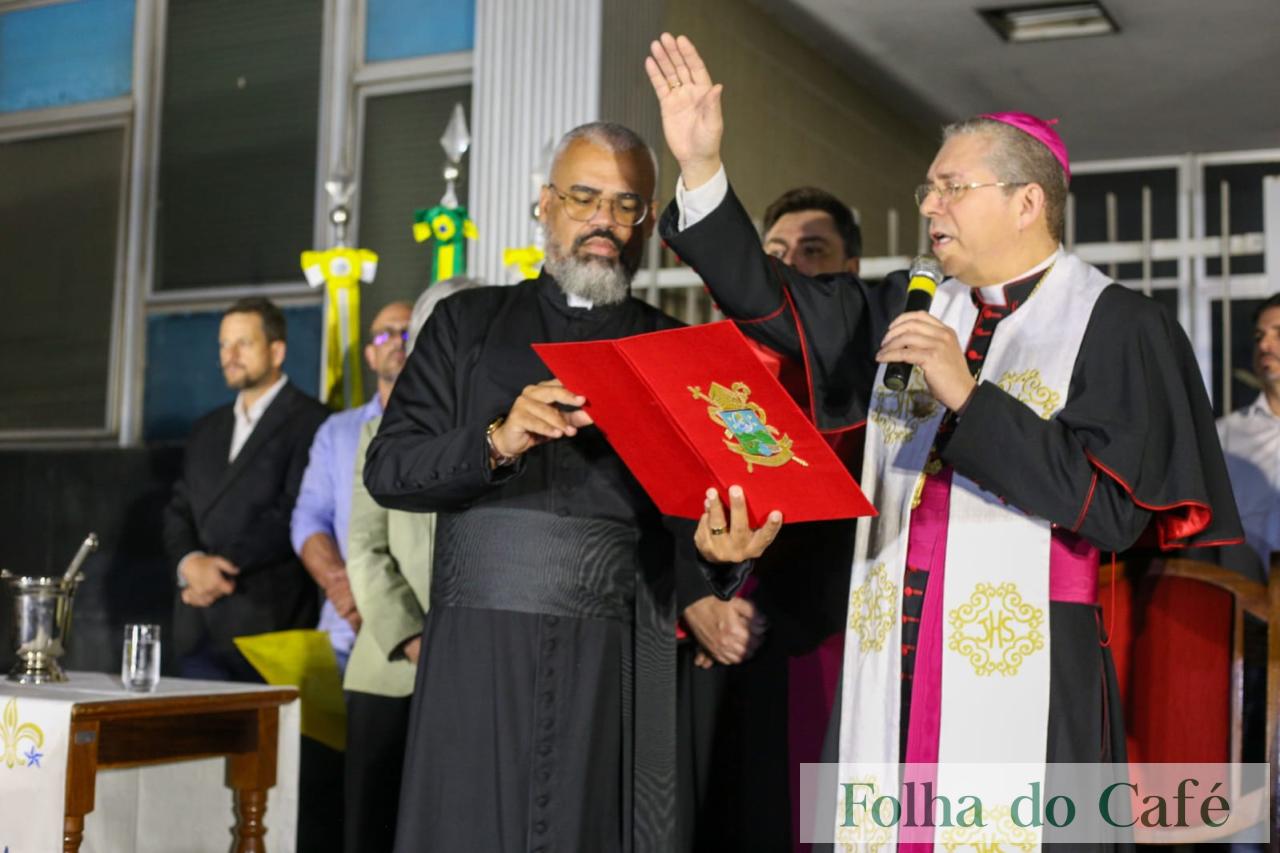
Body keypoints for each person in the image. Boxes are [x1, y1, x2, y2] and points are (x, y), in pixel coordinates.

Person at [647, 32, 1242, 847]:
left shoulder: (1120, 326)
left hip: (1031, 671)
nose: (929, 208)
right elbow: (771, 300)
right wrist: (702, 168)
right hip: (887, 656)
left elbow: (1110, 514)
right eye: (927, 190)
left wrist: (967, 396)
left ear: (1027, 201)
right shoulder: (913, 302)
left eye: (951, 188)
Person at [364, 121, 739, 853]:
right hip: (480, 656)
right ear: (545, 205)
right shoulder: (464, 324)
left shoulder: (674, 354)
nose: (604, 219)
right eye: (584, 195)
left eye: (626, 204)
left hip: (617, 660)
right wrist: (497, 439)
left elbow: (695, 530)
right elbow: (390, 469)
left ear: (648, 224)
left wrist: (722, 558)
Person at [677, 186, 865, 852]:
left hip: (832, 641)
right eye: (776, 253)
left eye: (811, 253)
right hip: (723, 646)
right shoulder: (709, 369)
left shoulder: (875, 377)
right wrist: (696, 595)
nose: (789, 268)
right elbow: (663, 504)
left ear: (850, 273)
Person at [341, 279, 476, 853]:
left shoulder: (508, 437)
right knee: (374, 826)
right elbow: (365, 548)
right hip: (391, 669)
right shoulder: (381, 433)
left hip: (476, 669)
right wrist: (415, 637)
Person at [163, 296, 329, 682]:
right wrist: (189, 563)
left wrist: (217, 571)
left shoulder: (312, 421)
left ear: (277, 350)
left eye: (243, 343)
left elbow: (294, 510)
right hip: (197, 625)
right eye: (223, 344)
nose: (229, 354)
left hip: (268, 626)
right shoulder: (207, 428)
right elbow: (178, 509)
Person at [291, 299, 413, 671]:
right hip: (346, 628)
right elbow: (309, 519)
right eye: (384, 334)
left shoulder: (449, 429)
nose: (397, 341)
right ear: (369, 356)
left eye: (408, 333)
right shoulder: (338, 431)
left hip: (423, 632)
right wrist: (343, 588)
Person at [1217, 294, 1280, 578]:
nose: (1265, 345)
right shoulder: (1226, 436)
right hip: (1247, 608)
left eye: (1278, 334)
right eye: (1259, 336)